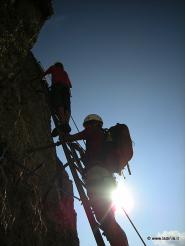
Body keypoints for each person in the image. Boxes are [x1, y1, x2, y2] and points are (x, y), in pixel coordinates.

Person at [62, 114, 129, 246]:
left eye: (87, 124)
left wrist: (65, 137)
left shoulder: (93, 131)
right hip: (107, 178)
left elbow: (76, 136)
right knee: (108, 219)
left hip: (97, 176)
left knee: (105, 218)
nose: (86, 127)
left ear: (93, 123)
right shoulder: (103, 137)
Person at [43, 62, 72, 135]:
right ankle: (66, 124)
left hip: (57, 86)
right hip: (66, 89)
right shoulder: (65, 72)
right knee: (67, 107)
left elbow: (45, 73)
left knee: (59, 104)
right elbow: (70, 85)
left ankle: (62, 123)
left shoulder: (53, 67)